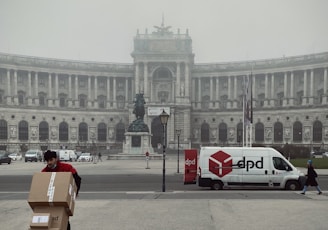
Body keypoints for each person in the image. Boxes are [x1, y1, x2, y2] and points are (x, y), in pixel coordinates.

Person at [42, 150, 82, 230]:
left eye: (51, 160)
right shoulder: (44, 172)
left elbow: (77, 179)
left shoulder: (66, 168)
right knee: (51, 220)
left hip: (63, 199)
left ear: (56, 159)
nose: (49, 163)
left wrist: (75, 193)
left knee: (64, 219)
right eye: (47, 161)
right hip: (50, 201)